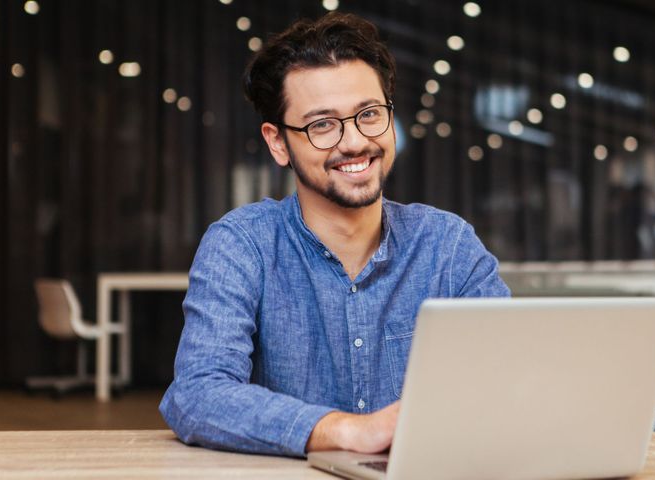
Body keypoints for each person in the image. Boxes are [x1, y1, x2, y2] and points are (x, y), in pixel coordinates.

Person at [159, 12, 509, 458]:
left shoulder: (447, 245)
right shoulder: (242, 245)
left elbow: (508, 378)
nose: (354, 142)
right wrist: (345, 431)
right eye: (322, 124)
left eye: (369, 114)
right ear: (278, 142)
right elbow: (197, 395)